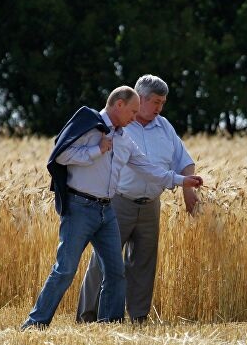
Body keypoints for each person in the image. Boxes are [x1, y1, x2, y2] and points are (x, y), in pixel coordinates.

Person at [20, 86, 203, 330]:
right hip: (79, 209)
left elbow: (148, 169)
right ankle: (35, 323)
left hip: (107, 212)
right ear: (119, 105)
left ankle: (110, 325)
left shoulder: (124, 139)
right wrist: (97, 150)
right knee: (65, 270)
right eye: (133, 111)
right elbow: (60, 155)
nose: (135, 116)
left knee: (116, 273)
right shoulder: (89, 124)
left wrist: (182, 181)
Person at [76, 75, 197, 324]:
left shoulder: (165, 127)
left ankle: (138, 317)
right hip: (118, 202)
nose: (159, 108)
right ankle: (88, 317)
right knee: (103, 261)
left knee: (144, 264)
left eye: (162, 103)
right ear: (139, 99)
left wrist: (188, 190)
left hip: (151, 204)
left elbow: (185, 160)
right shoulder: (115, 123)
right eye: (155, 102)